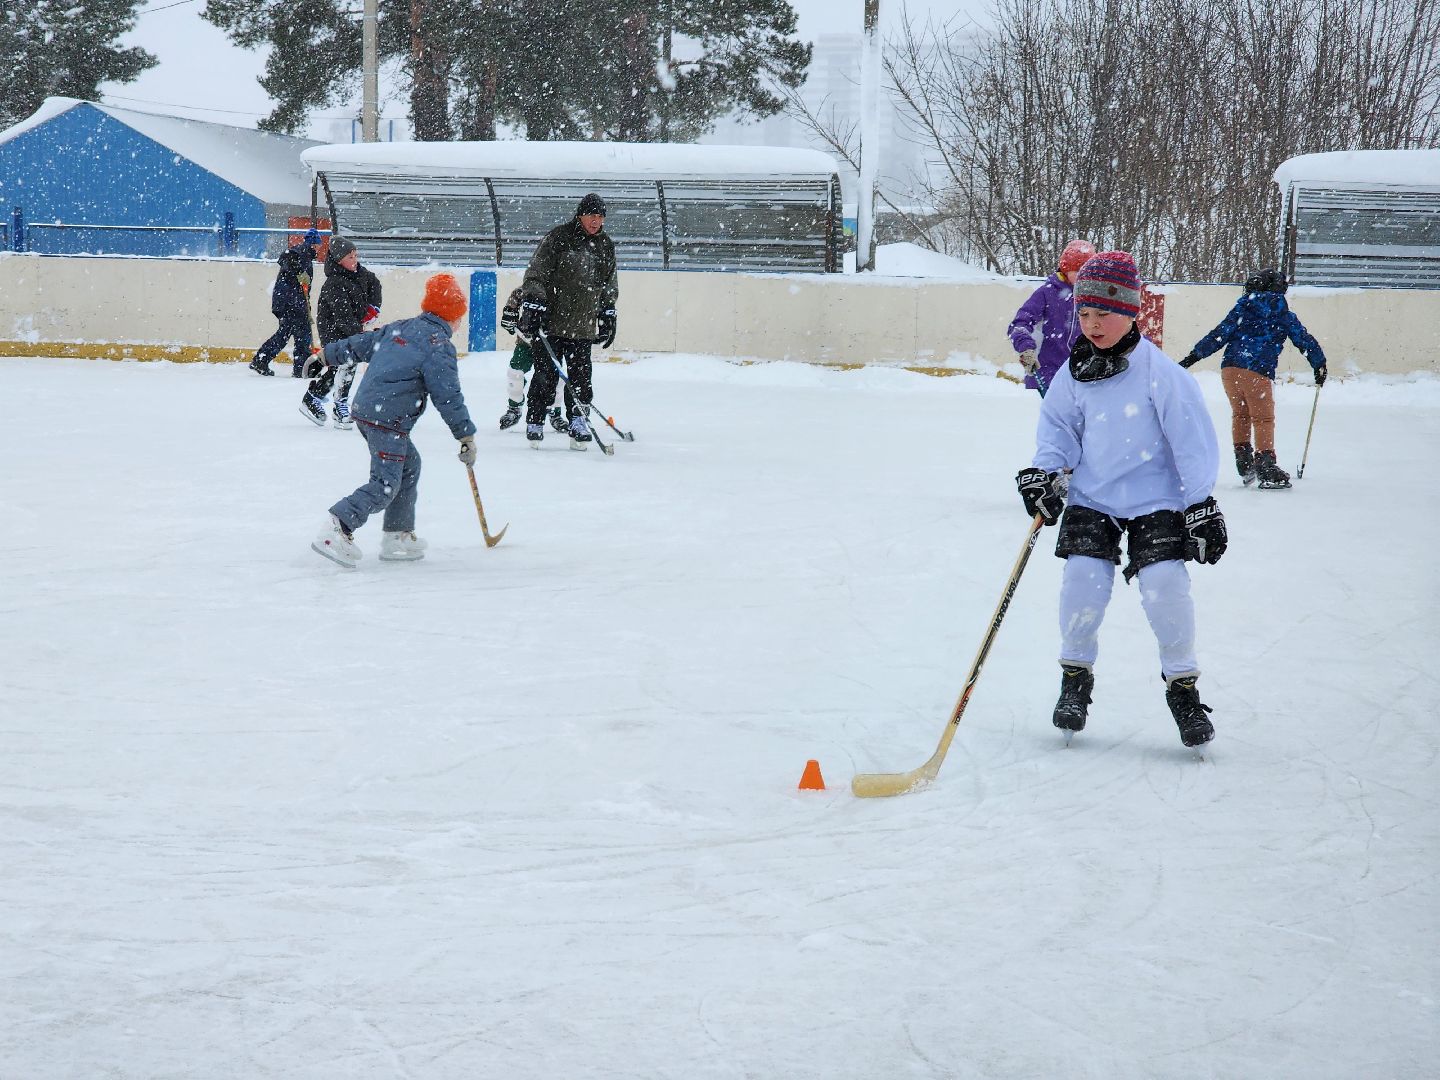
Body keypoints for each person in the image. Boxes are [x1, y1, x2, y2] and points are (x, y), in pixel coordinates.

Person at [1016, 251, 1228, 749]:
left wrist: (1200, 504)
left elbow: (1192, 442)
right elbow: (1059, 431)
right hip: (1094, 496)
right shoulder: (1074, 371)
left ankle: (1183, 689)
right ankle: (1075, 681)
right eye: (1084, 315)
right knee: (1082, 584)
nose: (1092, 325)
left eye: (1103, 314)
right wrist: (1046, 474)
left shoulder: (1160, 373)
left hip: (1156, 499)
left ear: (1131, 311)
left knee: (1164, 586)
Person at [311, 272, 477, 569]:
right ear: (452, 317)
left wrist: (326, 355)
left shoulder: (401, 328)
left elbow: (360, 344)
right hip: (388, 420)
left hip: (366, 409)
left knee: (409, 466)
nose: (459, 323)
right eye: (459, 317)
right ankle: (338, 526)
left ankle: (397, 535)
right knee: (385, 484)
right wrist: (465, 436)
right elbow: (448, 396)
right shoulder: (439, 346)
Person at [1179, 268, 1327, 490]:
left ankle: (1244, 461)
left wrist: (1192, 358)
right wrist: (1319, 363)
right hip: (1257, 370)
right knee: (1263, 419)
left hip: (1230, 370)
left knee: (1240, 414)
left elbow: (1219, 335)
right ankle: (1266, 467)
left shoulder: (1242, 307)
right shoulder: (1282, 312)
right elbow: (1302, 338)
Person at [515, 192, 618, 449]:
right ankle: (535, 420)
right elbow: (536, 272)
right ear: (580, 215)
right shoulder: (559, 238)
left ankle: (578, 421)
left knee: (582, 378)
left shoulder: (605, 244)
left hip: (582, 327)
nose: (596, 221)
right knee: (545, 377)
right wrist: (534, 302)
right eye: (592, 216)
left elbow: (609, 282)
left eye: (601, 217)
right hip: (551, 324)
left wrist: (607, 311)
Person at [300, 235, 382, 429]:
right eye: (350, 258)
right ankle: (338, 406)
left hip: (352, 326)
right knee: (345, 363)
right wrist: (361, 336)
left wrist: (373, 308)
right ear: (339, 260)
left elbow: (375, 284)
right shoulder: (334, 284)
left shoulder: (361, 274)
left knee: (343, 365)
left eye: (356, 256)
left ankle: (314, 398)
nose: (355, 261)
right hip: (333, 328)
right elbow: (343, 318)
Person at [1007, 239, 1096, 393]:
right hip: (1047, 375)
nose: (1083, 278)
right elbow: (1020, 323)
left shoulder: (1094, 298)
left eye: (1087, 273)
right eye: (1078, 272)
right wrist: (1026, 348)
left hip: (1083, 378)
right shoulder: (1047, 293)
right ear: (1066, 269)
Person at [249, 227, 323, 377]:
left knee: (285, 334)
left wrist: (305, 301)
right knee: (302, 335)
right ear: (314, 244)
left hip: (289, 302)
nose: (319, 248)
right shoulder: (301, 251)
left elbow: (303, 286)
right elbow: (286, 258)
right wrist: (298, 272)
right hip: (291, 302)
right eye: (318, 245)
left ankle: (261, 360)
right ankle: (301, 370)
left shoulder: (306, 255)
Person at [496, 286, 566, 434]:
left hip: (552, 342)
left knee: (556, 378)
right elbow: (515, 299)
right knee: (515, 373)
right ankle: (514, 408)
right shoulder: (528, 287)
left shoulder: (562, 287)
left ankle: (554, 412)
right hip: (526, 341)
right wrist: (510, 314)